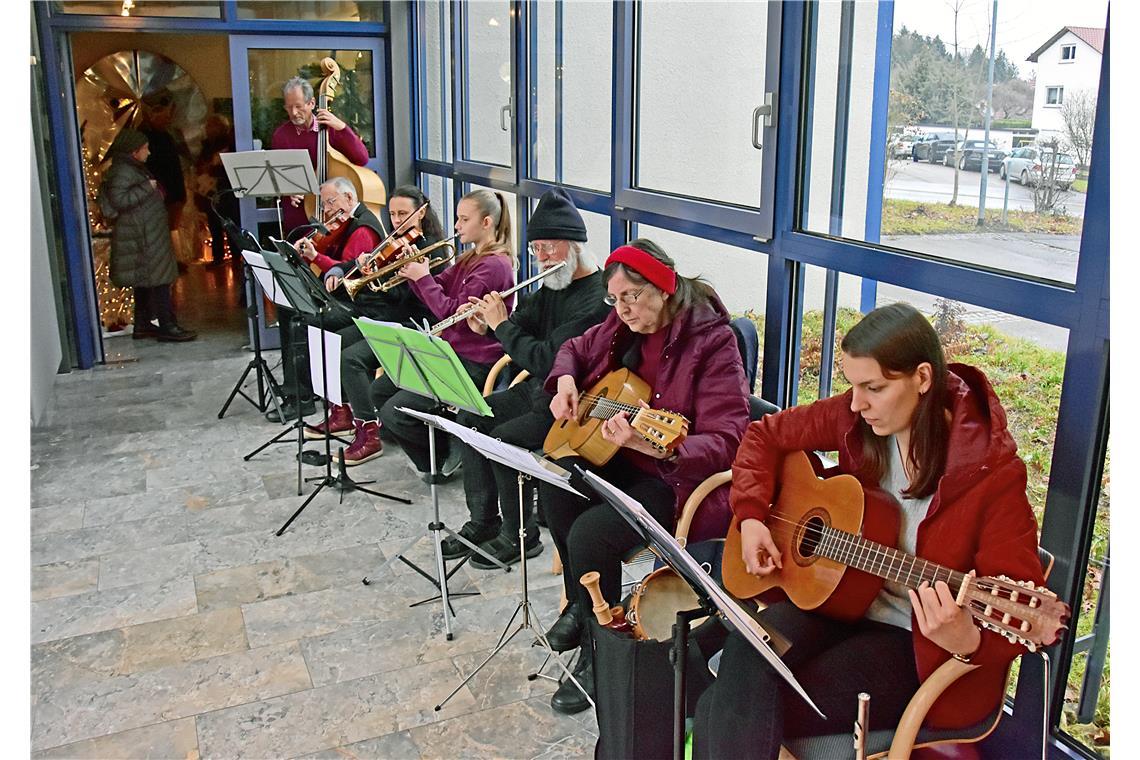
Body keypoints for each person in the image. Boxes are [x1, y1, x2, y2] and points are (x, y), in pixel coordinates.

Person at [692, 302, 1045, 759]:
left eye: (873, 388)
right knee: (746, 653)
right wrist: (755, 515)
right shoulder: (858, 418)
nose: (857, 404)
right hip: (835, 598)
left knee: (735, 703)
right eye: (853, 387)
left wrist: (969, 639)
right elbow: (764, 435)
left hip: (910, 642)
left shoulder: (992, 475)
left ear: (922, 378)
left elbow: (1021, 600)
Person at [537, 239, 750, 714]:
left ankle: (601, 657)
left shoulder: (714, 342)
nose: (622, 309)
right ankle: (581, 602)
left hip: (676, 482)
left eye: (632, 297)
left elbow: (730, 439)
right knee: (554, 483)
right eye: (614, 299)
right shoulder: (622, 323)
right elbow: (574, 347)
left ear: (665, 286)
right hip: (619, 459)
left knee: (592, 534)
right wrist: (567, 381)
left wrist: (662, 445)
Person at [441, 188, 611, 567]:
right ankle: (483, 522)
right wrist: (486, 323)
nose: (542, 258)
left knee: (502, 441)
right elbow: (519, 325)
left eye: (550, 248)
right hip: (538, 392)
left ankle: (521, 536)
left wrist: (503, 328)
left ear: (576, 245)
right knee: (471, 417)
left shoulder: (595, 299)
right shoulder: (555, 283)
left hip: (573, 406)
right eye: (535, 249)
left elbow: (547, 359)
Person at [370, 189, 516, 478]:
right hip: (449, 352)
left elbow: (453, 315)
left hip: (475, 362)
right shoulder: (470, 256)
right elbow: (437, 287)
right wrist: (414, 272)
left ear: (486, 222)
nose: (457, 226)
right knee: (379, 390)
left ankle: (440, 457)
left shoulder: (494, 266)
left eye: (464, 219)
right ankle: (440, 443)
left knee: (394, 413)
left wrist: (422, 278)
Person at [304, 185, 450, 463]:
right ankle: (345, 412)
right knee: (335, 341)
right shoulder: (395, 241)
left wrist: (377, 281)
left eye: (403, 214)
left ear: (420, 213)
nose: (396, 221)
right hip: (389, 316)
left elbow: (403, 299)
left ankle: (369, 433)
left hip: (412, 323)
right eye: (393, 214)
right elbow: (386, 293)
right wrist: (361, 270)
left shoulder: (429, 249)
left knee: (350, 358)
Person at [268, 176, 386, 423]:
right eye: (324, 205)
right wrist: (311, 250)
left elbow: (349, 272)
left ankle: (305, 396)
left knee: (304, 322)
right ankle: (312, 395)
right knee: (289, 310)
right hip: (342, 298)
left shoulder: (363, 229)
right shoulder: (345, 223)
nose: (327, 211)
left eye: (330, 202)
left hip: (358, 304)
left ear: (350, 198)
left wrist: (315, 257)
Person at [98, 128, 197, 343]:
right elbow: (119, 201)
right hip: (142, 236)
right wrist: (146, 187)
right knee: (161, 281)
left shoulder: (132, 168)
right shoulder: (123, 171)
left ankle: (142, 324)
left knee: (144, 281)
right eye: (145, 149)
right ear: (134, 152)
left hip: (146, 233)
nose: (149, 153)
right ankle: (167, 325)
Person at [270, 75, 371, 237]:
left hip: (333, 216)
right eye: (289, 108)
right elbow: (276, 175)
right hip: (298, 218)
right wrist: (288, 190)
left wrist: (342, 127)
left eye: (298, 106)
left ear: (312, 103)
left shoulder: (331, 129)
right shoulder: (281, 136)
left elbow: (361, 158)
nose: (294, 112)